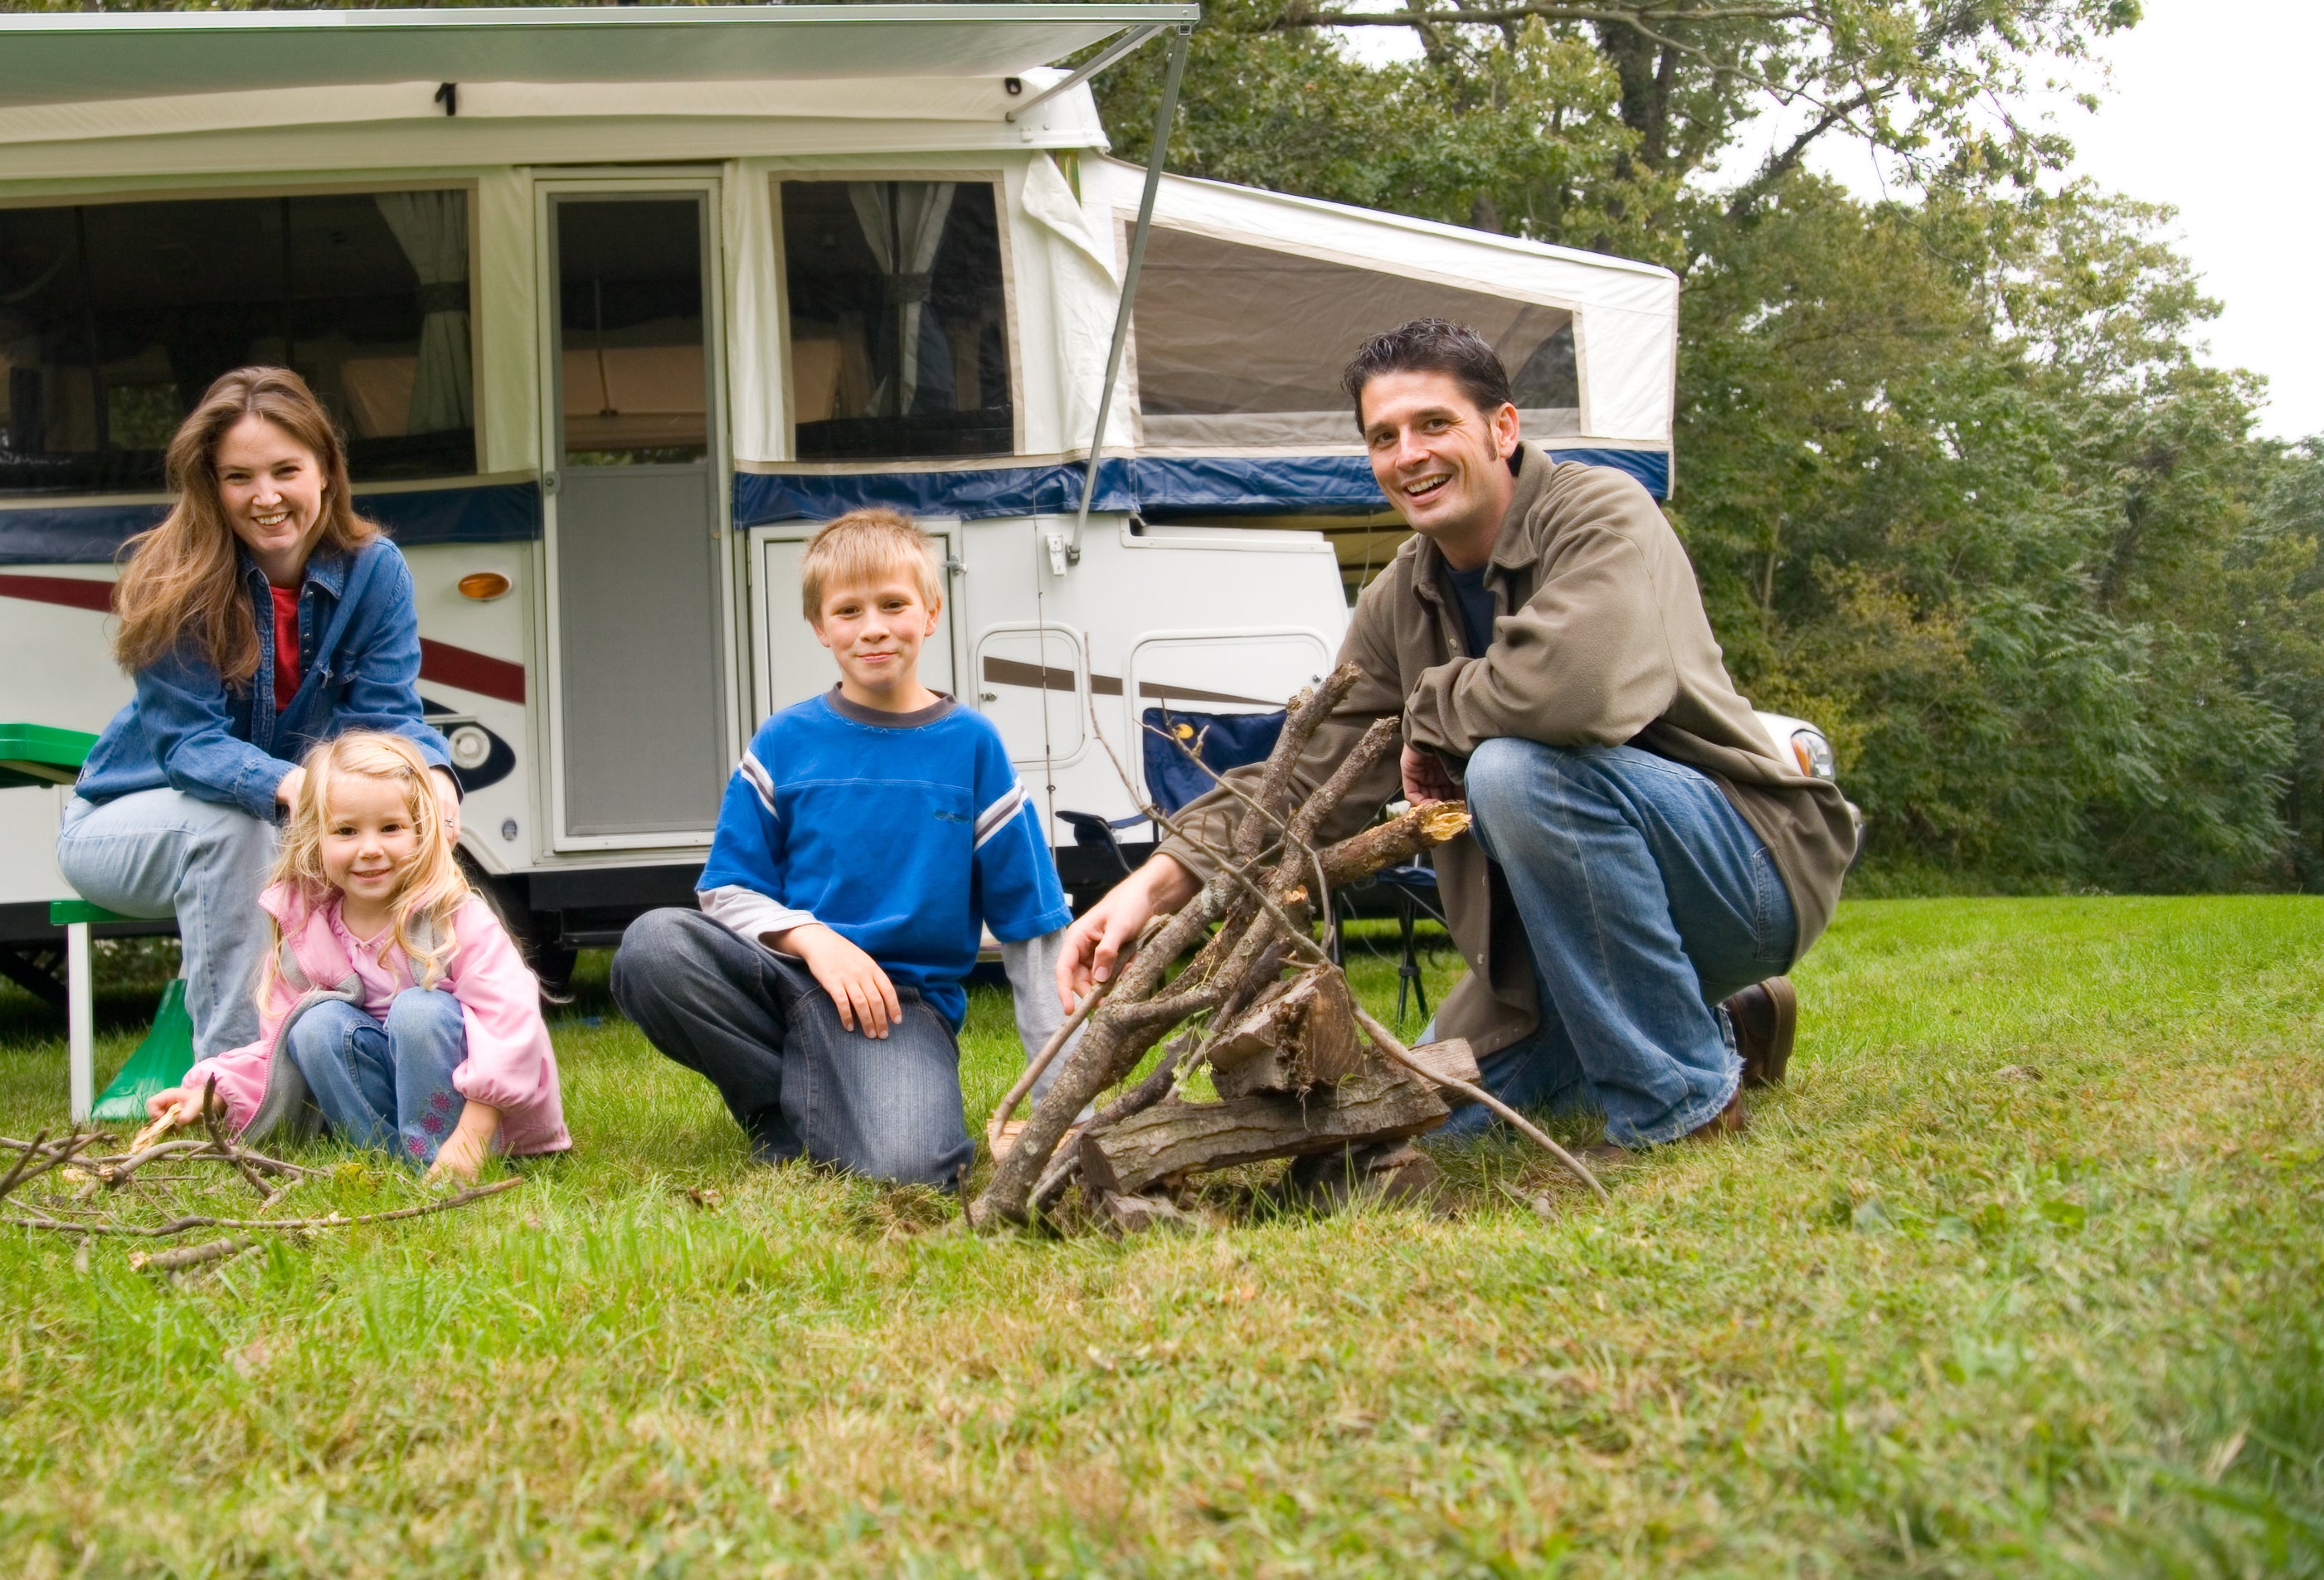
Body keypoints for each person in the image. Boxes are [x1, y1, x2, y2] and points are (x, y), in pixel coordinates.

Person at [1059, 318, 1857, 1164]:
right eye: (1383, 436)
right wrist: (1152, 882)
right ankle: (1728, 1018)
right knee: (1417, 1125)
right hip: (1557, 939)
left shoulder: (1599, 513)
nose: (1408, 454)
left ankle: (1682, 1104)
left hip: (1745, 868)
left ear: (1502, 429)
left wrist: (1421, 712)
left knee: (1516, 772)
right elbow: (1309, 774)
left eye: (1433, 424)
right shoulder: (1397, 601)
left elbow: (1570, 690)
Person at [610, 508, 1072, 1189]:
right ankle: (784, 1106)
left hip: (899, 1007)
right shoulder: (783, 741)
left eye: (893, 604)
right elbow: (725, 890)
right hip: (790, 980)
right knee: (653, 946)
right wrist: (814, 940)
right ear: (821, 627)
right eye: (849, 610)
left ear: (932, 611)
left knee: (914, 1171)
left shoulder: (973, 746)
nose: (874, 627)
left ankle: (801, 1125)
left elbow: (1033, 931)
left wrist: (1058, 1108)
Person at [57, 367, 461, 1059]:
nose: (266, 496)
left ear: (326, 472)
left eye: (285, 470)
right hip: (126, 821)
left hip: (277, 818)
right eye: (239, 476)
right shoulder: (173, 576)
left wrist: (435, 780)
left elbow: (389, 718)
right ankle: (232, 1089)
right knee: (237, 831)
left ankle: (398, 1062)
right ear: (210, 485)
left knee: (403, 821)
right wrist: (305, 789)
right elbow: (190, 748)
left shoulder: (375, 571)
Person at [140, 730, 567, 1179]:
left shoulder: (452, 917)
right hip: (379, 1100)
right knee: (312, 1023)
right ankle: (384, 1163)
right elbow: (275, 1050)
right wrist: (212, 1093)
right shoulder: (307, 930)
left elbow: (510, 1020)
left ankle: (444, 1156)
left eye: (390, 828)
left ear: (421, 832)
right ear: (314, 839)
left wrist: (475, 1133)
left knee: (419, 1010)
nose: (369, 849)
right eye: (346, 831)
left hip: (471, 1115)